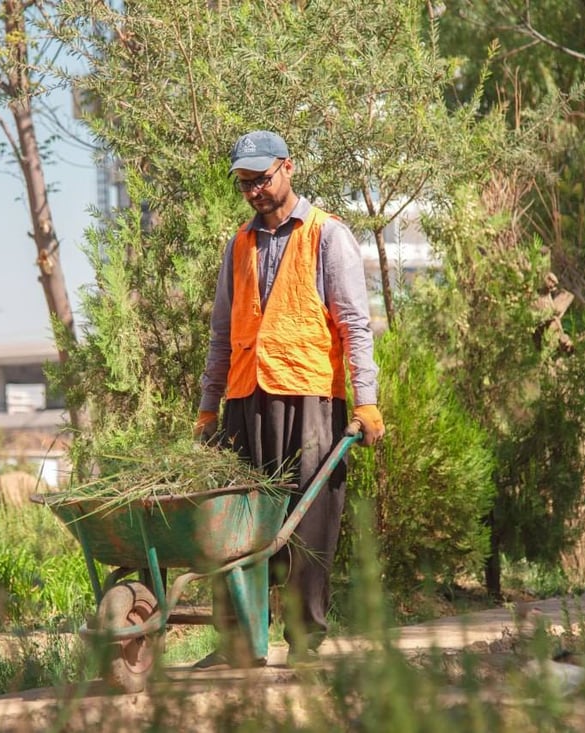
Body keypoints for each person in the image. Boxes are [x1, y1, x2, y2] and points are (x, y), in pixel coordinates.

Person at [193, 130, 385, 668]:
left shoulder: (328, 236)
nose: (253, 190)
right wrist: (210, 407)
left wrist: (365, 400)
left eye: (261, 178)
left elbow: (354, 324)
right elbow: (220, 334)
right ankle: (237, 642)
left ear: (288, 168)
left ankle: (304, 644)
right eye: (244, 183)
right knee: (237, 523)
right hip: (244, 398)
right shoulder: (239, 245)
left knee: (311, 521)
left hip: (310, 400)